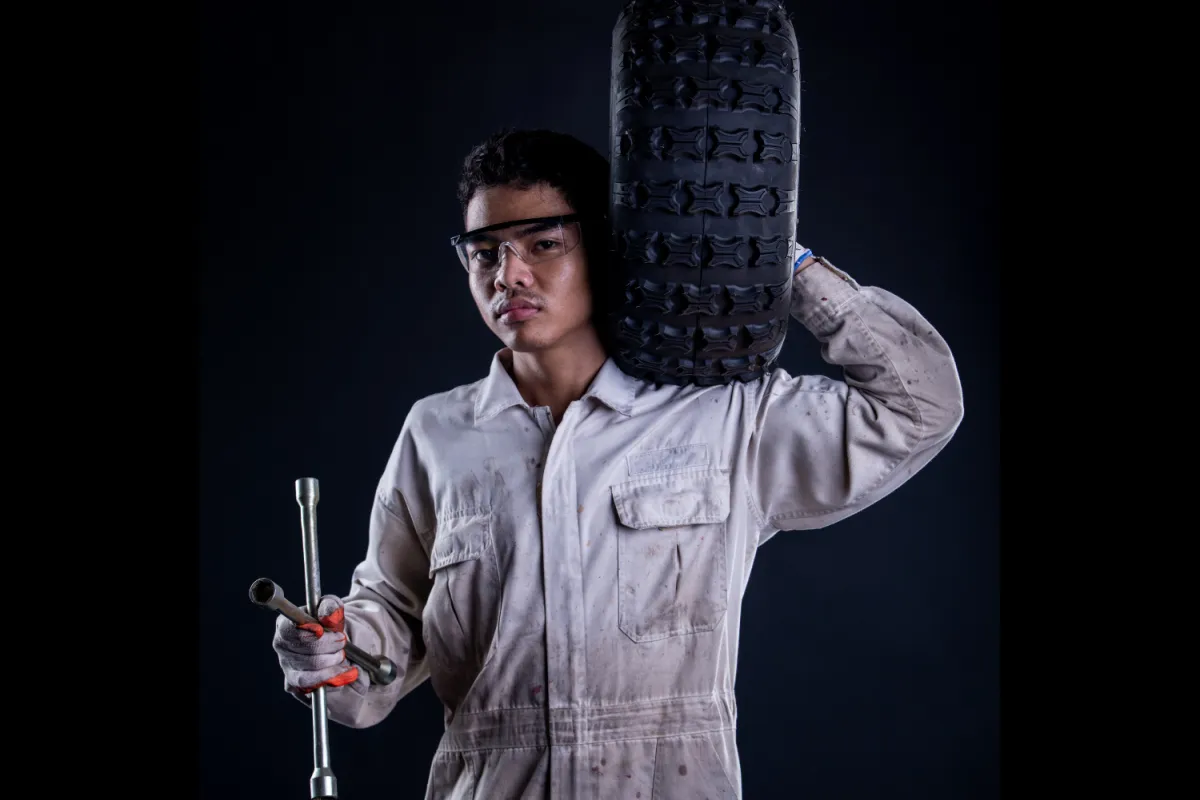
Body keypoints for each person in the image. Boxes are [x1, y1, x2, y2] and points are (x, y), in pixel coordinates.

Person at [271, 128, 964, 798]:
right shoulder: (436, 434)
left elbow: (921, 405)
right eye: (485, 253)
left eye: (543, 244)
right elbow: (390, 628)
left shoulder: (719, 415)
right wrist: (336, 647)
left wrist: (780, 254)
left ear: (608, 245)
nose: (508, 275)